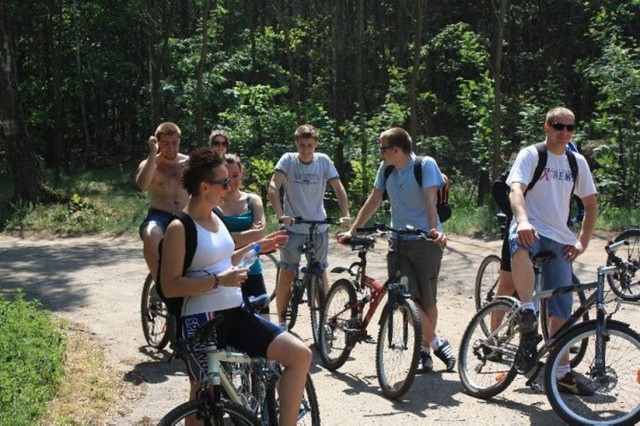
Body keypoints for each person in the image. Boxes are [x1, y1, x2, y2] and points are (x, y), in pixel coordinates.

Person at [160, 147, 311, 426]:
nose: (230, 187)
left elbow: (222, 260)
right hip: (200, 322)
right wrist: (218, 281)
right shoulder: (179, 228)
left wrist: (257, 247)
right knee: (202, 396)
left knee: (299, 355)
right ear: (205, 187)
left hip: (235, 313)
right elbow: (169, 286)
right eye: (224, 182)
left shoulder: (215, 219)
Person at [339, 127, 456, 373]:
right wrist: (354, 230)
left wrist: (434, 230)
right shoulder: (387, 168)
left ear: (396, 149)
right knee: (404, 298)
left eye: (382, 148)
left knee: (426, 299)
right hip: (398, 241)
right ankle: (437, 343)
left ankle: (424, 353)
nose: (380, 153)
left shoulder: (424, 165)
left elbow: (429, 200)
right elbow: (374, 199)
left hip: (425, 241)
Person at [508, 107, 597, 395]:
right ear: (546, 126)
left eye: (570, 127)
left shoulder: (577, 162)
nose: (565, 132)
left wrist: (582, 241)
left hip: (560, 238)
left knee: (562, 309)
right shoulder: (532, 154)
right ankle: (528, 311)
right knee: (521, 244)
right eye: (559, 126)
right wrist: (522, 220)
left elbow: (590, 204)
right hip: (530, 226)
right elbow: (516, 190)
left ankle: (561, 372)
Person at [267, 124, 351, 329]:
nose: (306, 150)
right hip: (294, 227)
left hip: (318, 226)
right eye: (302, 145)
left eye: (310, 145)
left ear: (316, 145)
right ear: (296, 143)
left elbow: (338, 188)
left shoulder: (323, 161)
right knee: (287, 272)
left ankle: (324, 322)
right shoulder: (288, 160)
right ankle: (281, 323)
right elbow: (272, 187)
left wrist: (345, 215)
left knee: (321, 272)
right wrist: (281, 216)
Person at [217, 153, 270, 320]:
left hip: (251, 269)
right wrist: (247, 236)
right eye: (226, 176)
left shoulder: (252, 200)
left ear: (242, 174)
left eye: (235, 175)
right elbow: (212, 238)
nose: (231, 181)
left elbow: (260, 233)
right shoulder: (214, 202)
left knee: (264, 322)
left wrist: (227, 237)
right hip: (223, 270)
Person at [136, 122, 190, 282]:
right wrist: (153, 153)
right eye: (165, 144)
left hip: (185, 215)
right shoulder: (151, 164)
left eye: (175, 143)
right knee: (151, 234)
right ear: (157, 142)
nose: (171, 148)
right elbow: (142, 185)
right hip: (159, 215)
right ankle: (159, 282)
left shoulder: (189, 163)